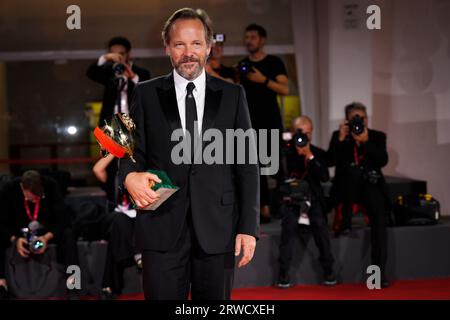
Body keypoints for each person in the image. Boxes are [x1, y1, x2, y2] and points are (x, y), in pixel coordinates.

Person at [120, 8, 259, 300]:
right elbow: (128, 149)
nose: (188, 52)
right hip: (161, 228)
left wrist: (248, 227)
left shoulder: (233, 95)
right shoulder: (145, 93)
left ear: (209, 47)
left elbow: (247, 166)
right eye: (180, 44)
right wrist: (129, 176)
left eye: (196, 44)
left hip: (218, 228)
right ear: (167, 49)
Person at [327, 102, 390, 288]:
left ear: (367, 119)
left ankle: (378, 275)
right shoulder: (340, 137)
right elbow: (330, 161)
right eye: (355, 118)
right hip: (346, 189)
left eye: (362, 118)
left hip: (370, 188)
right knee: (350, 176)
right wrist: (340, 138)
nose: (359, 122)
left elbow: (382, 160)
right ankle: (344, 223)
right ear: (346, 120)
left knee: (379, 223)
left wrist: (366, 142)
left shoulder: (377, 136)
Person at [0, 170, 79, 299]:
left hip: (46, 231)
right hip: (18, 232)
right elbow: (2, 222)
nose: (35, 200)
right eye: (31, 198)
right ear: (23, 189)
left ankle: (74, 284)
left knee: (68, 234)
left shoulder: (51, 185)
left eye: (38, 197)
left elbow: (63, 218)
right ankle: (1, 283)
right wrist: (15, 239)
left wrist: (47, 237)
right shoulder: (9, 189)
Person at [277, 116, 336, 288]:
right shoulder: (284, 152)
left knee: (321, 228)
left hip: (313, 199)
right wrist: (285, 147)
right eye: (301, 133)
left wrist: (309, 156)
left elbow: (324, 177)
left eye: (308, 133)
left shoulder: (317, 152)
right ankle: (283, 273)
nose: (305, 137)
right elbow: (276, 174)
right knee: (287, 230)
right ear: (293, 133)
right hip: (291, 200)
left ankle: (328, 271)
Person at [238, 24, 289, 223]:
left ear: (262, 40)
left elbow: (284, 89)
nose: (248, 40)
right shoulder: (242, 64)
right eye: (247, 37)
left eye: (252, 36)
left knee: (275, 169)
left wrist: (263, 80)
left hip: (271, 123)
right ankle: (264, 210)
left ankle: (284, 207)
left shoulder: (274, 62)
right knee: (255, 169)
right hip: (250, 124)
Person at [92, 154, 142, 300]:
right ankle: (138, 256)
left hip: (132, 221)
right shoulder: (112, 179)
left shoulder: (138, 180)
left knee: (117, 235)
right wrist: (116, 151)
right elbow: (97, 169)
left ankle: (108, 286)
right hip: (114, 217)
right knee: (120, 220)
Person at [86, 36, 151, 126]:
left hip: (133, 121)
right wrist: (105, 58)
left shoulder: (141, 73)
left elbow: (147, 92)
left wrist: (132, 77)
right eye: (114, 54)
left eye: (121, 53)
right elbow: (91, 73)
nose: (118, 57)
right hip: (110, 122)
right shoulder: (108, 71)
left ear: (128, 54)